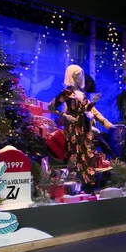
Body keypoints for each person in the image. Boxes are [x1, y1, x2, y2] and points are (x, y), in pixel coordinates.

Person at [48, 65, 103, 193]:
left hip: (84, 127)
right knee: (74, 154)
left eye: (80, 75)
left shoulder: (82, 93)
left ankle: (88, 184)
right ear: (72, 76)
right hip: (73, 127)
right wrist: (65, 115)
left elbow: (86, 109)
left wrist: (93, 102)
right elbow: (51, 106)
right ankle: (74, 185)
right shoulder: (67, 92)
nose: (80, 77)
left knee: (87, 153)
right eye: (77, 75)